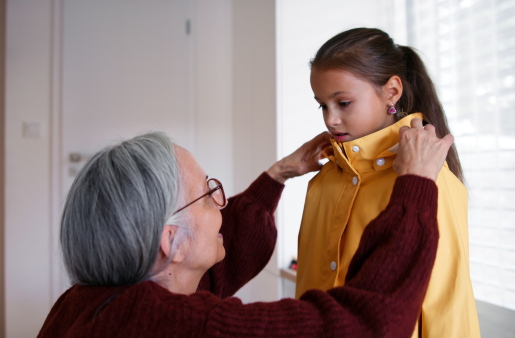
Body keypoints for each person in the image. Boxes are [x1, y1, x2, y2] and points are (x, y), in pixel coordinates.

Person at [38, 120, 451, 337]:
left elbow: (222, 258)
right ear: (171, 242)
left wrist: (278, 175)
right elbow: (369, 324)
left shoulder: (81, 304)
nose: (223, 205)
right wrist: (415, 186)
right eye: (208, 194)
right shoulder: (178, 325)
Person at [295, 27, 481, 338]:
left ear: (391, 92)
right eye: (322, 105)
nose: (330, 120)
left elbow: (448, 304)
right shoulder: (322, 182)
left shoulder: (429, 180)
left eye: (343, 103)